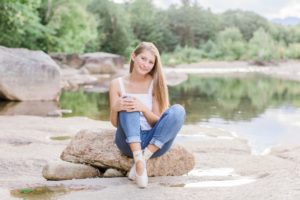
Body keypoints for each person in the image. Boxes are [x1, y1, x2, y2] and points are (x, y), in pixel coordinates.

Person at [109, 42, 186, 188]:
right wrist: (115, 108)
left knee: (178, 111)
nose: (146, 64)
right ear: (133, 56)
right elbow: (114, 123)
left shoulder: (154, 83)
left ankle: (140, 161)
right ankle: (139, 157)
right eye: (143, 59)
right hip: (127, 142)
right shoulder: (116, 84)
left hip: (154, 144)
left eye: (151, 62)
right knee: (128, 101)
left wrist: (143, 108)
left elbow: (156, 123)